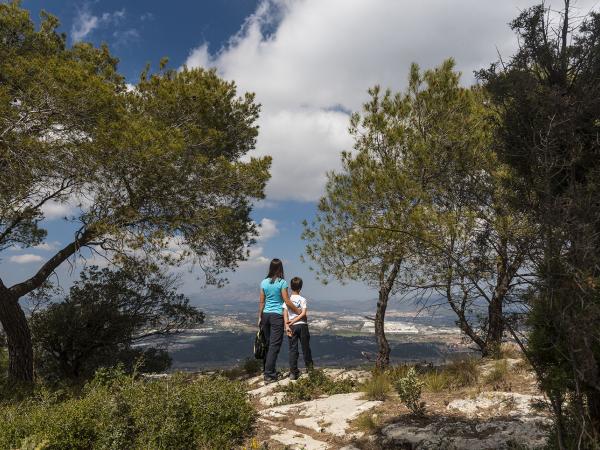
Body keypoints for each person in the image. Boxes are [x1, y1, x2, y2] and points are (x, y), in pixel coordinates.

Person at [258, 258, 301, 382]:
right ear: (280, 268)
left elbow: (262, 302)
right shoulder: (282, 283)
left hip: (265, 315)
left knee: (268, 345)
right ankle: (269, 375)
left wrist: (259, 317)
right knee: (274, 346)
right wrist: (298, 311)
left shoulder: (263, 282)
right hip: (277, 316)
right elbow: (286, 300)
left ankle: (268, 371)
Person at [283, 276, 313, 380]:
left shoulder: (287, 300)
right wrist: (295, 320)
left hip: (292, 327)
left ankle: (293, 372)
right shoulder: (302, 299)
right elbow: (303, 313)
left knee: (293, 349)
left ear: (291, 287)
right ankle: (310, 370)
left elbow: (285, 315)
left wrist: (287, 326)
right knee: (306, 348)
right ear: (300, 288)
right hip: (302, 325)